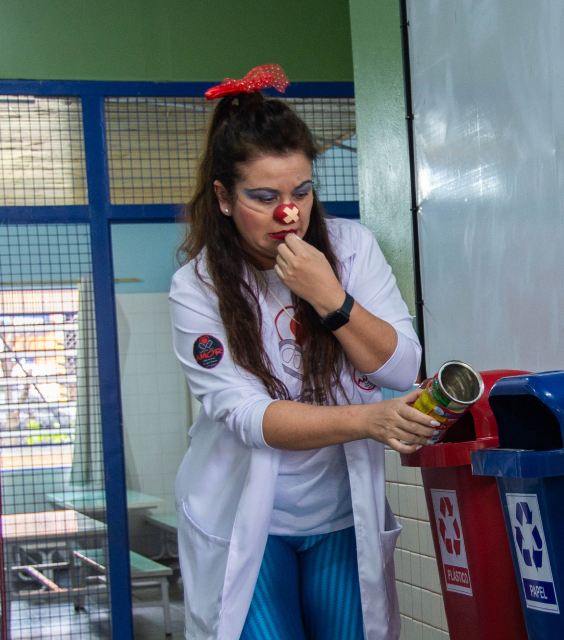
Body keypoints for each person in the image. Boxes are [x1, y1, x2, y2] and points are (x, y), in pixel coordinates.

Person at [170, 83, 434, 640]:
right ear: (223, 197)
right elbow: (247, 415)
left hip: (339, 519)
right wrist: (367, 421)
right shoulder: (197, 287)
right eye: (263, 197)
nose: (289, 213)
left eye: (303, 191)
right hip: (248, 523)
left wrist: (329, 296)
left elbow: (401, 366)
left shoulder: (351, 248)